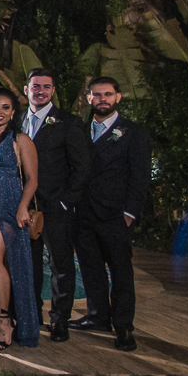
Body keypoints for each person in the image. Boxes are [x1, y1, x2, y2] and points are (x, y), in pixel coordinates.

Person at [70, 77, 151, 352]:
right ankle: (97, 316)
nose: (102, 98)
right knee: (91, 269)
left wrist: (129, 213)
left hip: (116, 215)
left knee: (121, 272)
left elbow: (140, 177)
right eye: (97, 94)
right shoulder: (80, 130)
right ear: (90, 99)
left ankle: (124, 325)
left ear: (117, 97)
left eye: (108, 94)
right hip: (84, 214)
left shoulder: (133, 132)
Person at [21, 68, 91, 342]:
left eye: (46, 87)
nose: (40, 91)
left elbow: (82, 168)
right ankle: (31, 314)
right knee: (29, 263)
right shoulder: (16, 120)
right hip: (24, 207)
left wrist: (64, 202)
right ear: (26, 89)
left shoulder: (68, 123)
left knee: (61, 265)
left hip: (55, 207)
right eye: (35, 86)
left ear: (53, 91)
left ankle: (60, 320)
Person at [0, 87, 40, 350]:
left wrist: (23, 207)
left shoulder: (20, 140)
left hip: (8, 206)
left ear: (13, 112)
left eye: (5, 107)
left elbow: (33, 179)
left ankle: (4, 320)